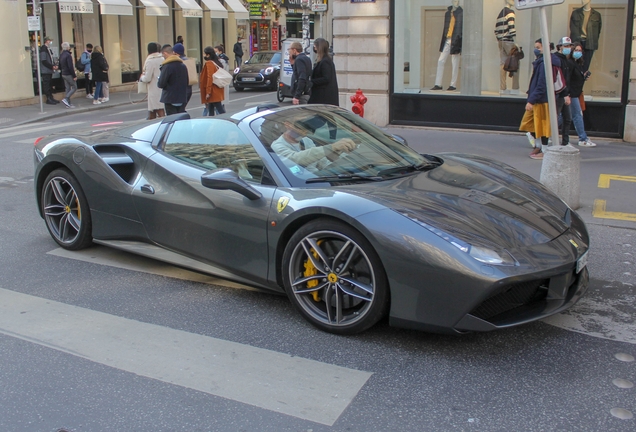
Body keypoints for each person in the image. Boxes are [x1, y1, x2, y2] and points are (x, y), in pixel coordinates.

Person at [520, 39, 559, 160]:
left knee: (542, 125)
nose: (536, 50)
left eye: (538, 47)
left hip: (541, 99)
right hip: (538, 98)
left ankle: (544, 149)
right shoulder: (541, 62)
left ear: (545, 47)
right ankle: (538, 146)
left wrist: (532, 99)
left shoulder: (544, 63)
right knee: (532, 124)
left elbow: (542, 84)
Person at [271, 121, 356, 172]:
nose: (305, 132)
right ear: (287, 125)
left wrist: (337, 153)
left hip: (319, 177)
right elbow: (297, 159)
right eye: (301, 127)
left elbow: (321, 163)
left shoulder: (306, 140)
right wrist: (331, 147)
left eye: (308, 129)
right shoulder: (277, 146)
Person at [431, 0, 462, 92]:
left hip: (456, 40)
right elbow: (446, 27)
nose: (456, 2)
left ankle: (453, 85)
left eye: (457, 0)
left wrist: (459, 41)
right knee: (441, 60)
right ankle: (438, 84)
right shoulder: (448, 13)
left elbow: (461, 29)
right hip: (448, 39)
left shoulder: (461, 13)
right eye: (454, 0)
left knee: (455, 62)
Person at [569, 42, 596, 147]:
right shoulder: (571, 64)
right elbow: (568, 80)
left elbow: (576, 79)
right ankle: (583, 138)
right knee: (577, 115)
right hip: (572, 94)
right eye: (576, 50)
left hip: (575, 93)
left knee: (565, 116)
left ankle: (542, 133)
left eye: (580, 51)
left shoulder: (578, 64)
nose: (578, 52)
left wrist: (583, 77)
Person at [158, 44, 189, 115]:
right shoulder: (183, 65)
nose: (163, 57)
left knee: (172, 120)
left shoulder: (167, 66)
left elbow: (161, 84)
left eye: (163, 55)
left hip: (170, 98)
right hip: (181, 97)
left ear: (165, 53)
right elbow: (186, 82)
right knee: (180, 119)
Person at [554, 37, 573, 146]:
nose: (568, 48)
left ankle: (565, 142)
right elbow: (560, 80)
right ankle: (551, 140)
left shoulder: (566, 60)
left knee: (567, 118)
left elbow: (567, 78)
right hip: (560, 94)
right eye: (566, 46)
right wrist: (565, 94)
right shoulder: (558, 59)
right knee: (556, 118)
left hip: (565, 93)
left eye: (569, 46)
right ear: (560, 46)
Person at [308, 38, 339, 106]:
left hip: (323, 97)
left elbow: (326, 78)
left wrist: (312, 82)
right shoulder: (323, 60)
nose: (314, 49)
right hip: (321, 96)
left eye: (315, 47)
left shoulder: (325, 61)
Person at [139, 42, 165, 119]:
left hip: (153, 88)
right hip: (162, 86)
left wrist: (141, 78)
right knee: (155, 109)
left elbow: (147, 78)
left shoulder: (150, 61)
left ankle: (162, 127)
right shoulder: (162, 58)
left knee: (157, 109)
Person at [199, 46, 225, 116]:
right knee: (211, 108)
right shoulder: (216, 62)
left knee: (220, 109)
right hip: (216, 89)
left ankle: (229, 121)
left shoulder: (209, 63)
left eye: (204, 54)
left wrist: (208, 92)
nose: (203, 55)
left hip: (213, 91)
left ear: (208, 55)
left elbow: (209, 77)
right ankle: (212, 123)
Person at [172, 43, 194, 108]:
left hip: (180, 90)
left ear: (176, 52)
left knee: (178, 111)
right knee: (182, 109)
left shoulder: (178, 62)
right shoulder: (188, 60)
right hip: (189, 88)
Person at [40, 36, 59, 105]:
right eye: (49, 40)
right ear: (46, 41)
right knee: (47, 84)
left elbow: (50, 59)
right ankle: (48, 98)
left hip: (49, 70)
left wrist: (54, 65)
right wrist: (51, 66)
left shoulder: (48, 49)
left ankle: (51, 97)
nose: (50, 42)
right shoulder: (43, 49)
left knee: (50, 84)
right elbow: (44, 60)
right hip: (45, 70)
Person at [58, 42, 77, 108]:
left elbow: (59, 65)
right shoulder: (68, 55)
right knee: (74, 87)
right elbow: (70, 66)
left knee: (67, 88)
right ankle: (66, 98)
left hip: (63, 73)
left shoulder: (61, 55)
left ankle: (68, 104)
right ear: (67, 47)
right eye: (69, 46)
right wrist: (74, 76)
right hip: (68, 74)